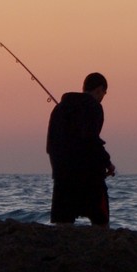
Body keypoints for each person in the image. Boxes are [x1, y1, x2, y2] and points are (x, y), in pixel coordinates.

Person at [46, 72, 115, 226]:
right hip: (89, 179)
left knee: (62, 225)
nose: (103, 97)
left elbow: (51, 145)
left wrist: (58, 170)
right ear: (99, 89)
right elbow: (91, 140)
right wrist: (107, 163)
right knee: (101, 223)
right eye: (104, 93)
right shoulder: (94, 107)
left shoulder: (59, 109)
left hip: (62, 176)